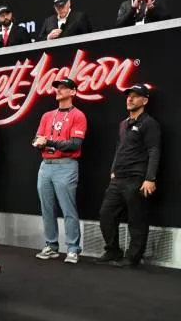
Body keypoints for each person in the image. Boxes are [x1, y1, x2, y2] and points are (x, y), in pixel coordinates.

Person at [97, 83, 160, 268]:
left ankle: (133, 258)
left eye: (135, 96)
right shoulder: (123, 124)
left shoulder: (149, 123)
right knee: (106, 215)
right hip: (118, 179)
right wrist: (113, 170)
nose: (130, 99)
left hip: (137, 179)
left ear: (145, 101)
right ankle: (113, 250)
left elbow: (154, 150)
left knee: (136, 220)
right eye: (128, 96)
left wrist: (150, 178)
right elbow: (119, 148)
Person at [32, 78, 87, 264]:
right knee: (47, 208)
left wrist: (48, 142)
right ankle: (51, 245)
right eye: (58, 87)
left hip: (66, 165)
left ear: (73, 92)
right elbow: (37, 139)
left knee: (68, 208)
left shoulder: (78, 115)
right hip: (45, 165)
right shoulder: (47, 115)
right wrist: (38, 143)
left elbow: (75, 144)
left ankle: (72, 249)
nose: (59, 90)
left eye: (64, 88)